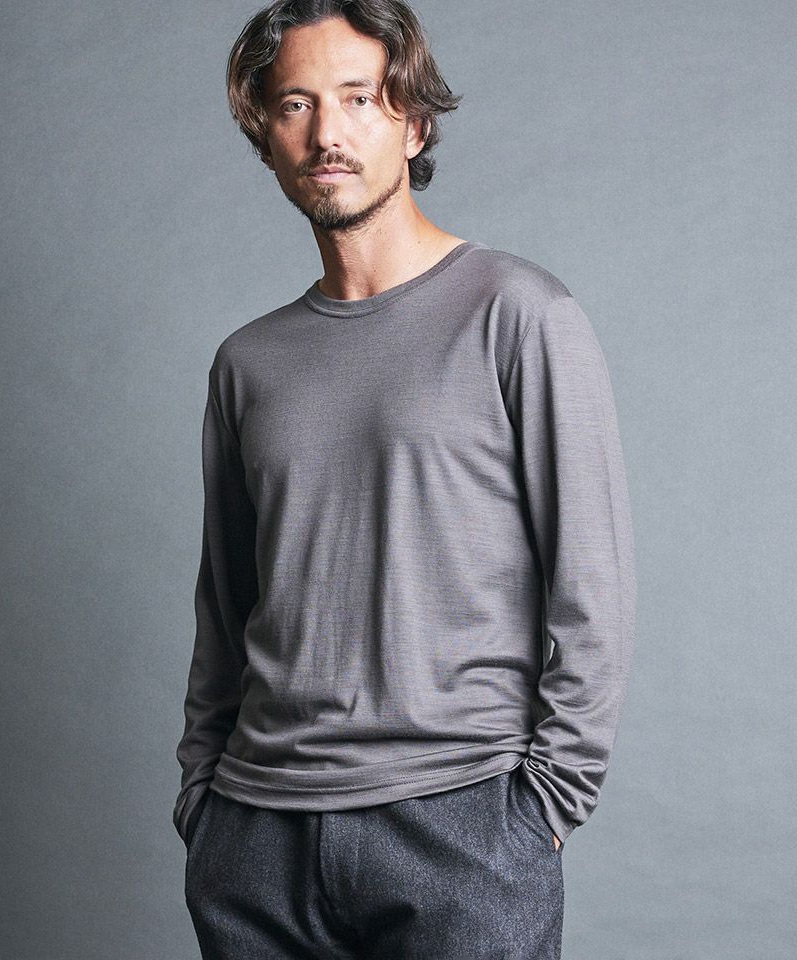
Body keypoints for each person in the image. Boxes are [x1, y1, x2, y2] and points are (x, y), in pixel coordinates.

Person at [173, 1, 637, 957]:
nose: (327, 133)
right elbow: (226, 607)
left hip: (461, 825)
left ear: (415, 124)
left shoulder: (518, 314)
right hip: (256, 837)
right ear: (267, 139)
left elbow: (593, 587)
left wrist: (544, 808)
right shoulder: (247, 363)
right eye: (295, 104)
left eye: (359, 97)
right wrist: (203, 800)